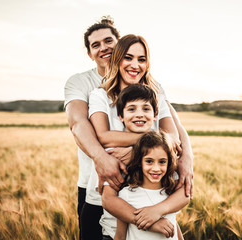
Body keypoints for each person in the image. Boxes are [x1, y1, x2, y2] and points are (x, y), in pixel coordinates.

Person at [87, 36, 189, 238]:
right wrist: (154, 142)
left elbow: (173, 138)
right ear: (117, 59)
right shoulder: (100, 96)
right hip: (117, 215)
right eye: (128, 57)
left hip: (162, 218)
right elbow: (103, 137)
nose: (135, 65)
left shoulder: (156, 95)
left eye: (142, 59)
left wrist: (138, 151)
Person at [64, 16, 124, 239]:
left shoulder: (143, 77)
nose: (103, 48)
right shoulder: (80, 83)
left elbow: (170, 120)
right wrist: (103, 159)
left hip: (141, 184)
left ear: (120, 42)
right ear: (90, 54)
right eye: (95, 45)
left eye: (108, 41)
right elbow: (78, 123)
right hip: (93, 186)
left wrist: (188, 159)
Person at [114, 131, 187, 240]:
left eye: (162, 162)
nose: (156, 168)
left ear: (169, 162)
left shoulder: (171, 193)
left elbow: (174, 226)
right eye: (149, 161)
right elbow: (120, 236)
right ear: (140, 162)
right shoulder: (127, 195)